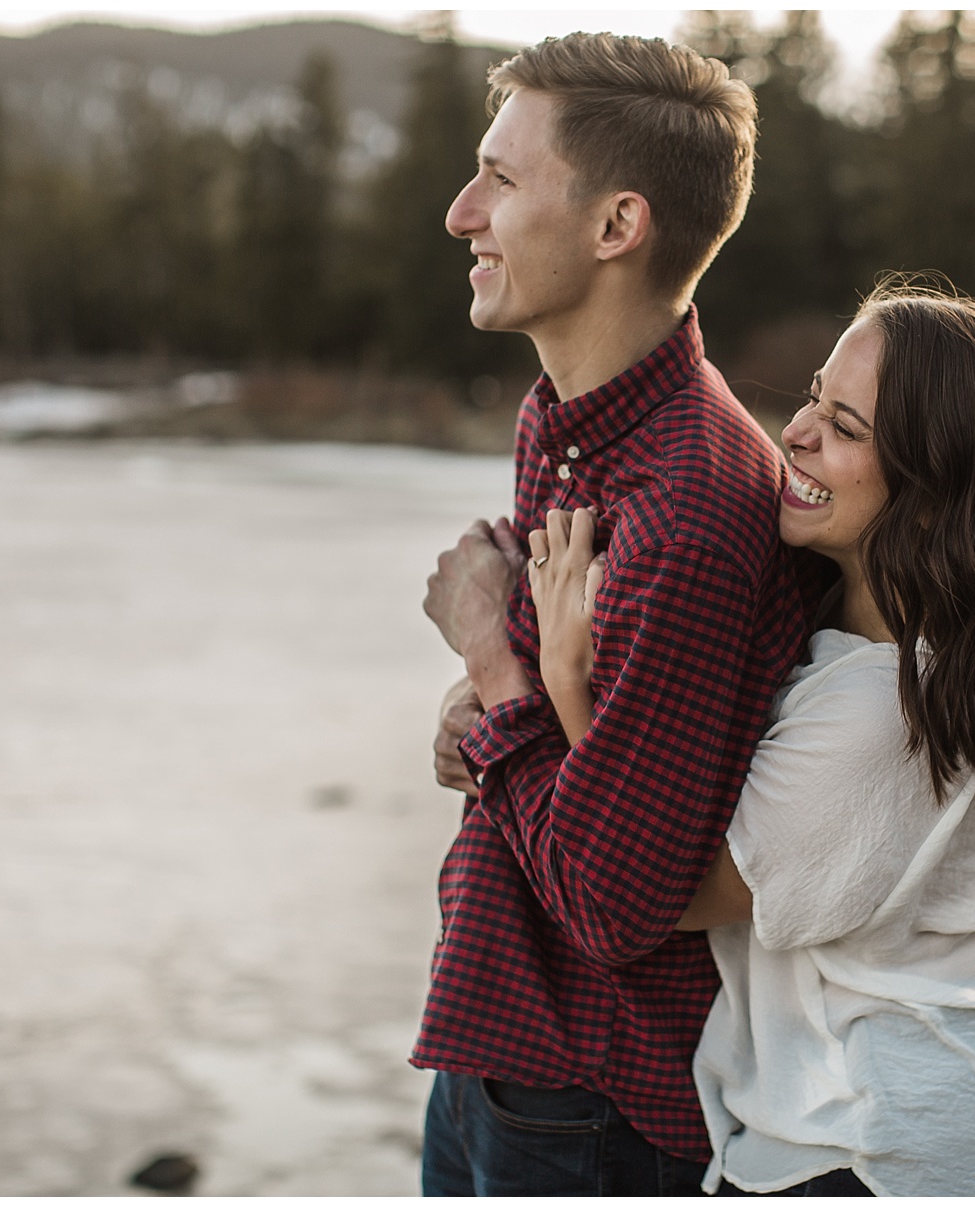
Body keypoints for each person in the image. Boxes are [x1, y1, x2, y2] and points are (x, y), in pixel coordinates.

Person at [517, 283, 975, 1195]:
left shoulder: (888, 710)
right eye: (812, 398)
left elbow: (661, 895)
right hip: (911, 1110)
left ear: (932, 486)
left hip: (874, 1138)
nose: (795, 432)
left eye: (844, 425)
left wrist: (564, 680)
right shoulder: (900, 645)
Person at [415, 32, 827, 1197]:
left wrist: (493, 665)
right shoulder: (572, 418)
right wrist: (490, 712)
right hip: (500, 1043)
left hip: (590, 1103)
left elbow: (611, 901)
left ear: (615, 227)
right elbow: (588, 748)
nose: (460, 214)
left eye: (500, 178)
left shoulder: (686, 510)